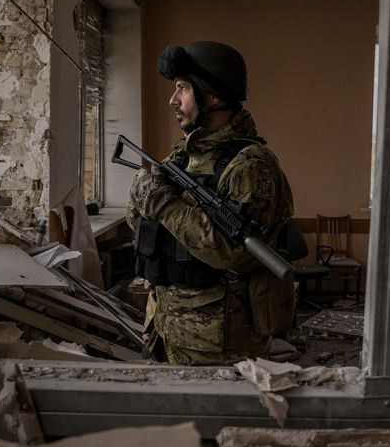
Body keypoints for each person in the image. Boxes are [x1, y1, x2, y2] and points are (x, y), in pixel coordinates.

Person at [126, 41, 296, 365]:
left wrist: (164, 205)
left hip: (217, 343)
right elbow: (140, 225)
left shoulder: (250, 165)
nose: (173, 99)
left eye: (183, 88)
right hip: (163, 326)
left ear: (213, 95)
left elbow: (228, 251)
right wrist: (141, 196)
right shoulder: (184, 156)